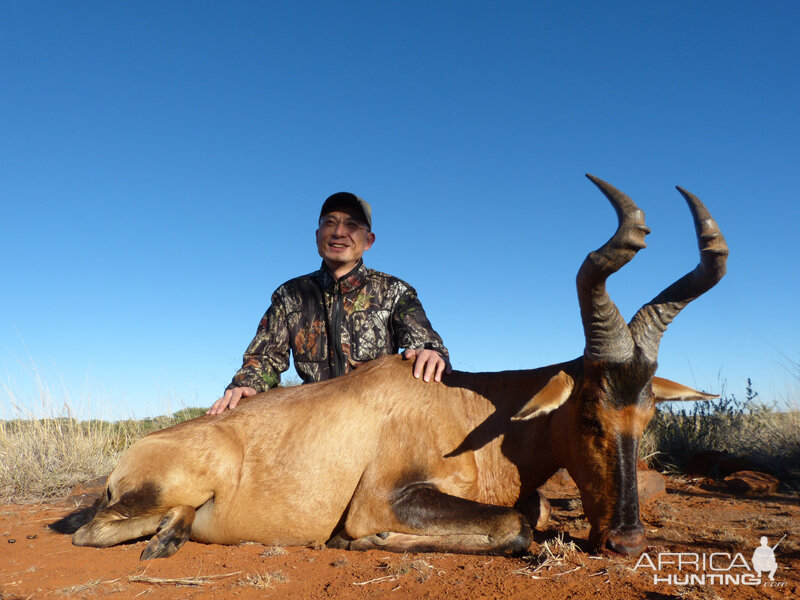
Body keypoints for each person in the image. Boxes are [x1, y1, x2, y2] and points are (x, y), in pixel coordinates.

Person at [207, 192, 450, 414]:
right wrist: (244, 386)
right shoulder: (289, 295)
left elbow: (423, 343)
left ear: (369, 241)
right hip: (312, 419)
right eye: (330, 223)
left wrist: (431, 352)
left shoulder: (395, 292)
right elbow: (264, 358)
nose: (339, 233)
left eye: (352, 225)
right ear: (317, 235)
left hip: (377, 419)